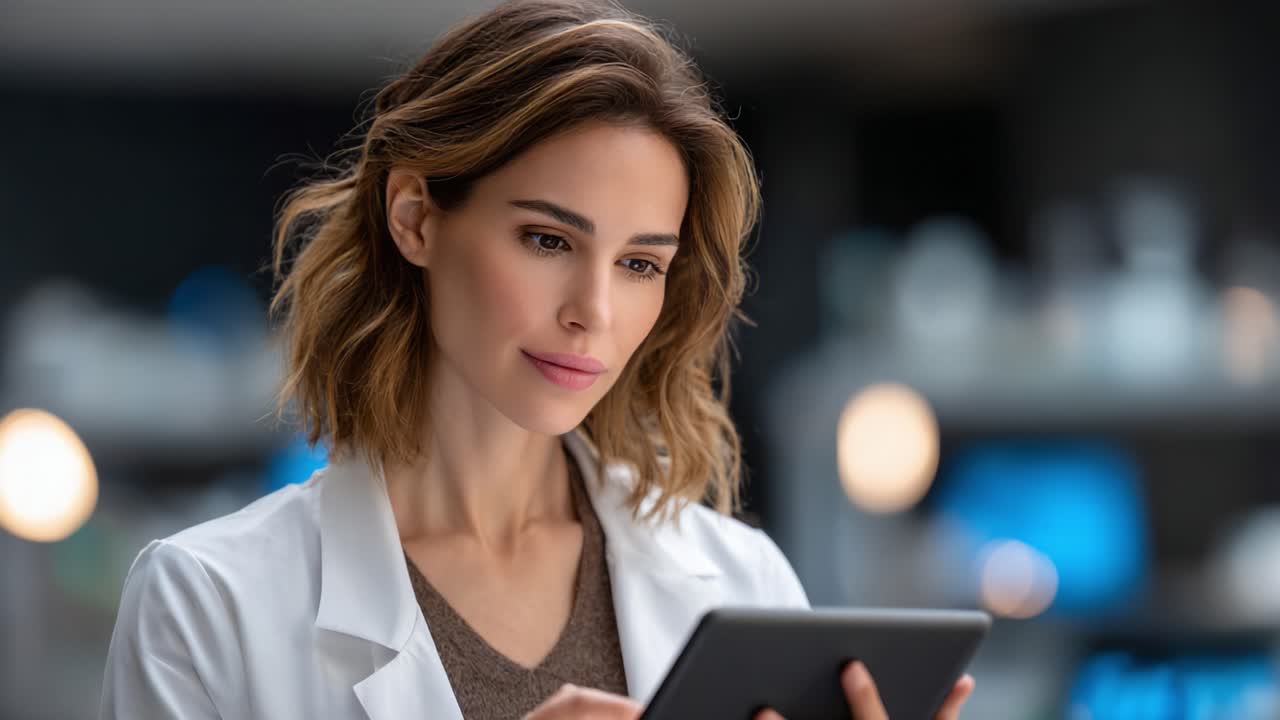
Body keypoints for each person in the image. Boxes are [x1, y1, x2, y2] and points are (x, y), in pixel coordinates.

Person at [98, 1, 975, 718]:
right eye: (548, 239)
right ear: (415, 216)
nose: (593, 311)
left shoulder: (743, 584)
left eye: (640, 264)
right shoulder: (207, 605)